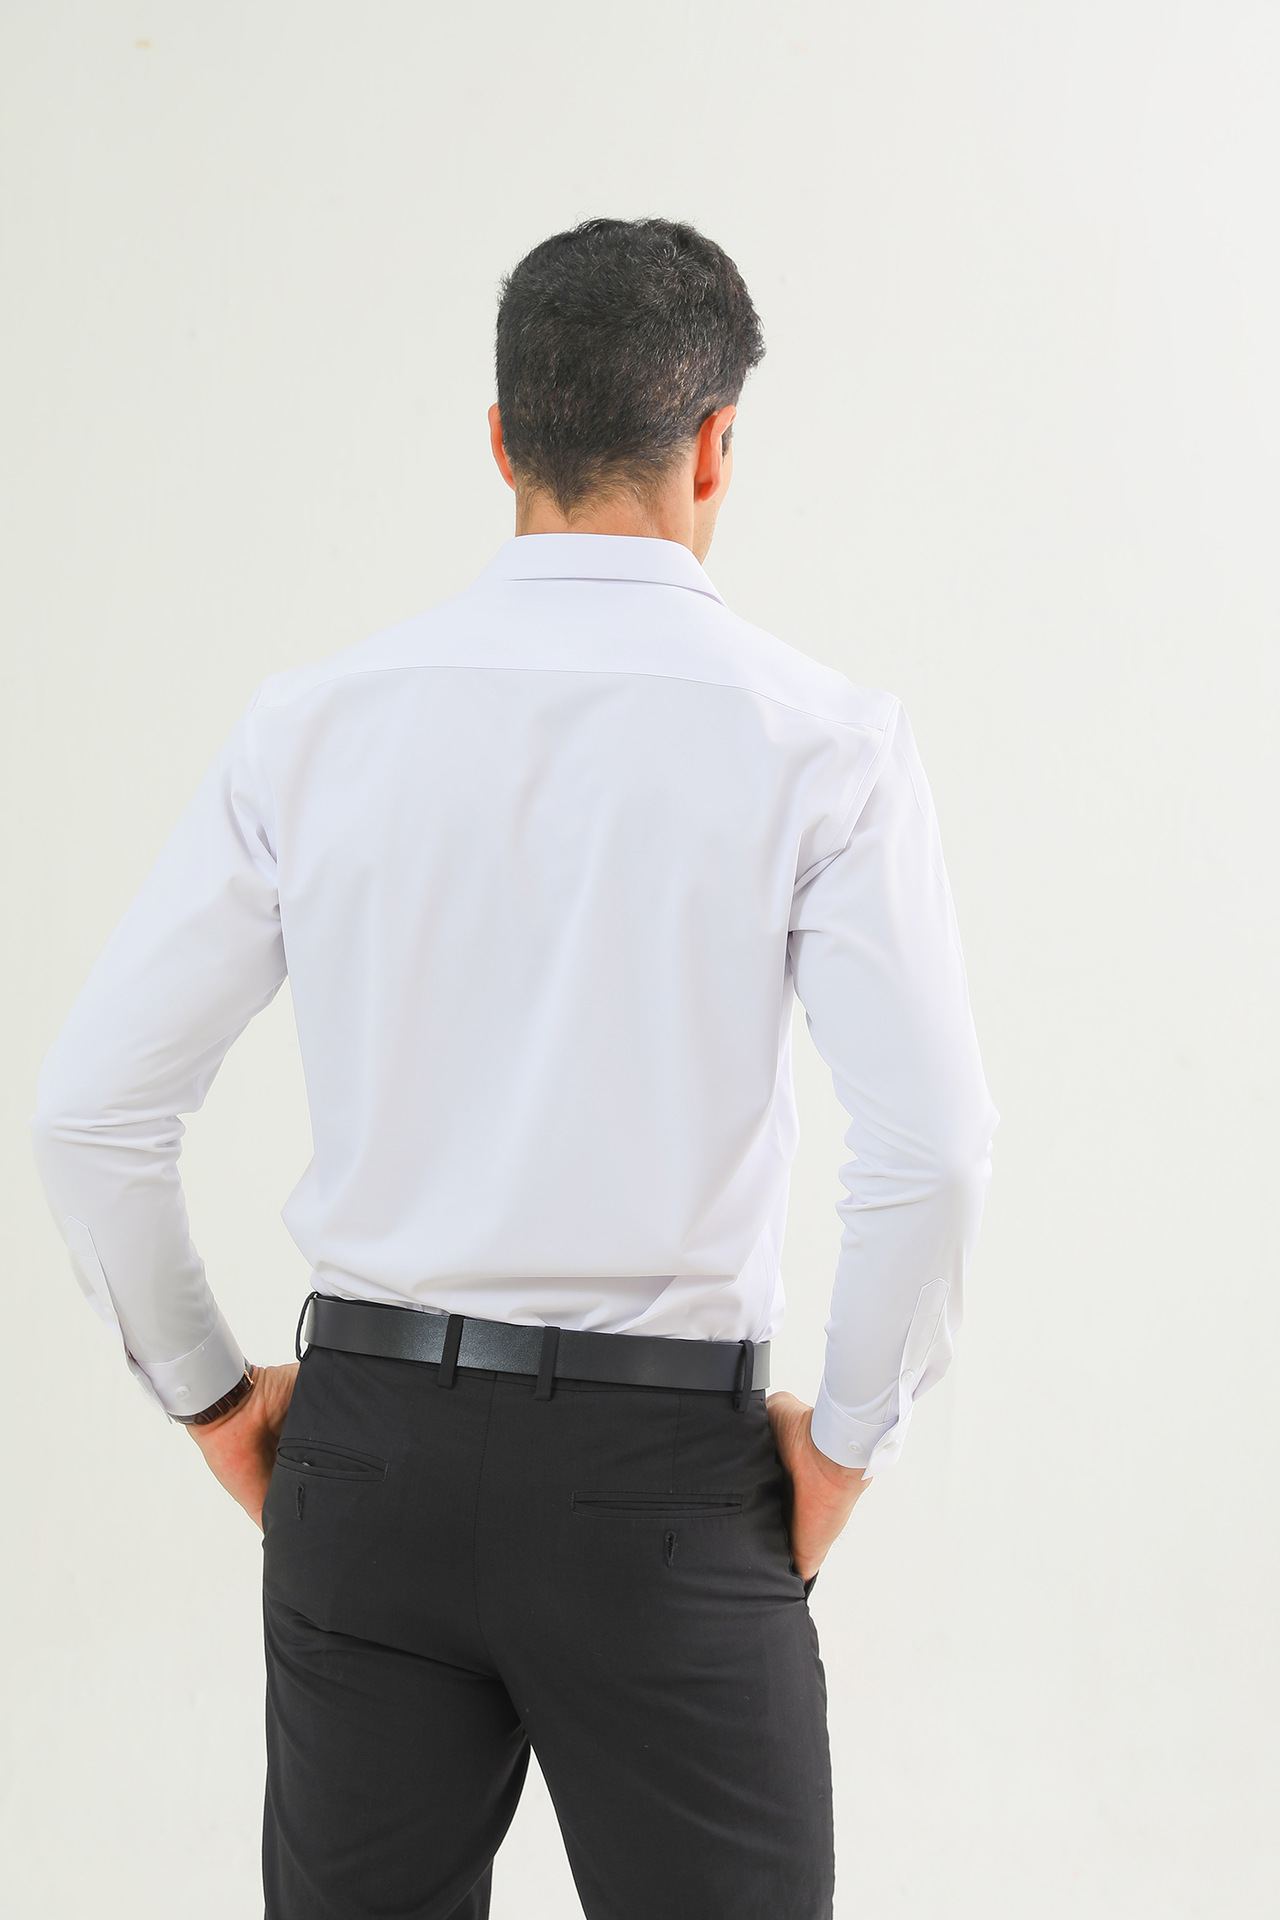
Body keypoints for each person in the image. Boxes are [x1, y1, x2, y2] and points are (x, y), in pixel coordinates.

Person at [31, 217, 998, 1920]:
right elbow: (931, 1153)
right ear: (717, 446)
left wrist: (214, 1403)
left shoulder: (313, 725)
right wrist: (845, 1449)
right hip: (667, 1482)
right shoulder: (823, 745)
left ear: (500, 440)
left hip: (368, 1457)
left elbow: (93, 1111)